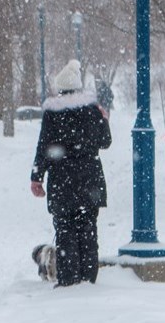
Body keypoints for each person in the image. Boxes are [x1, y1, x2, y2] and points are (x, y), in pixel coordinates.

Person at [30, 59, 111, 287]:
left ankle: (68, 278)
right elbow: (105, 142)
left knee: (65, 229)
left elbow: (44, 147)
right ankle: (88, 278)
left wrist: (37, 177)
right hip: (90, 180)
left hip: (62, 181)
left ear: (59, 88)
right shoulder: (92, 110)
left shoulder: (52, 113)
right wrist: (104, 121)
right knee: (88, 229)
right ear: (78, 87)